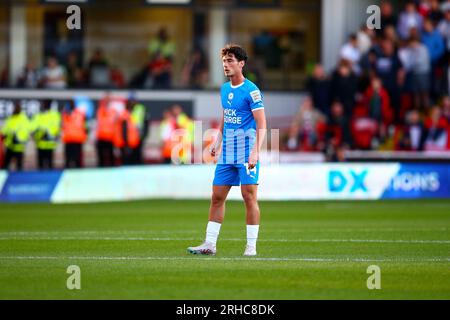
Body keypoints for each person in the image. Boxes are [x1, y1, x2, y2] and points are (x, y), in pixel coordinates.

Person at [187, 44, 267, 257]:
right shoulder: (224, 89)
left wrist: (255, 152)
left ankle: (251, 246)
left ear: (241, 64)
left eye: (230, 61)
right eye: (224, 61)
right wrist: (217, 141)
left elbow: (262, 124)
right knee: (217, 196)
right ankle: (209, 244)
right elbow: (226, 115)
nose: (226, 65)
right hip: (228, 152)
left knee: (248, 196)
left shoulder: (252, 91)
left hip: (246, 150)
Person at [31, 99, 61, 170]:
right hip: (40, 144)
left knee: (50, 164)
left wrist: (55, 137)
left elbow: (58, 128)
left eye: (47, 104)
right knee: (40, 165)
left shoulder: (55, 115)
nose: (46, 105)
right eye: (45, 104)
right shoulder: (38, 116)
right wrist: (36, 136)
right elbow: (33, 129)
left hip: (50, 144)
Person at [1, 103, 30, 171]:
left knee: (19, 166)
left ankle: (20, 180)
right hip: (10, 145)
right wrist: (5, 135)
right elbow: (5, 129)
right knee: (5, 165)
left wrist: (19, 138)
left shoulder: (23, 119)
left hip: (19, 146)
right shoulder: (11, 118)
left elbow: (26, 131)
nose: (16, 109)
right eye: (15, 108)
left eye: (17, 108)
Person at [62, 100, 87, 168]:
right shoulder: (65, 114)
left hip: (77, 139)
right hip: (68, 139)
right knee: (68, 160)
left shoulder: (80, 113)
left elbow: (85, 125)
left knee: (78, 160)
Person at [96, 93, 117, 167]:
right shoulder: (100, 110)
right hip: (101, 136)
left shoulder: (113, 111)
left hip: (110, 137)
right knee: (101, 158)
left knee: (111, 157)